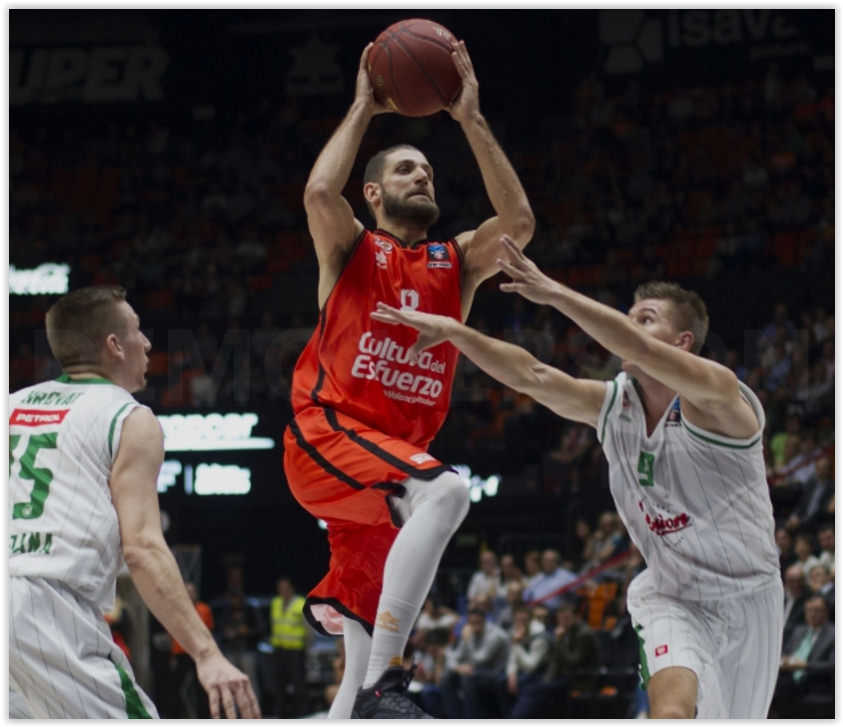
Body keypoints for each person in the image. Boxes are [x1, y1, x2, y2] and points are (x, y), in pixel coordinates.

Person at [370, 236, 784, 718]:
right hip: (670, 596)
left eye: (645, 319)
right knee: (670, 714)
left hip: (748, 599)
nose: (629, 327)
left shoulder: (720, 397)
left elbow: (631, 346)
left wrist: (555, 293)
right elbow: (534, 376)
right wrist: (455, 332)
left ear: (681, 342)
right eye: (629, 317)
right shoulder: (615, 406)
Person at [282, 36, 534, 720]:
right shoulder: (351, 248)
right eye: (403, 168)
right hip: (327, 436)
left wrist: (470, 119)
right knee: (448, 491)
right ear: (373, 192)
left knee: (361, 634)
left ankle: (360, 693)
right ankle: (386, 684)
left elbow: (516, 224)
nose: (421, 175)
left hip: (384, 473)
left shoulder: (455, 264)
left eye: (425, 168)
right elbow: (316, 190)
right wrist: (364, 106)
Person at [8, 286, 260, 719]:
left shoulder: (10, 405)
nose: (146, 342)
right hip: (46, 606)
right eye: (138, 331)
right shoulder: (127, 416)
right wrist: (207, 654)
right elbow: (141, 547)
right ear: (113, 345)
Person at [439, 608, 510, 717]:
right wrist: (457, 667)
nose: (475, 626)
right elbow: (456, 656)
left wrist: (467, 640)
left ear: (484, 620)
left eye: (478, 622)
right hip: (477, 672)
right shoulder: (470, 632)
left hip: (496, 674)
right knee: (446, 678)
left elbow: (481, 659)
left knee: (467, 678)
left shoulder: (496, 635)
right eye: (472, 623)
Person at [168, 582, 215, 718]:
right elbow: (172, 632)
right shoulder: (177, 609)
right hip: (180, 652)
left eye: (192, 591)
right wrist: (172, 655)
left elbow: (209, 632)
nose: (190, 594)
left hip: (199, 654)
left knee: (201, 688)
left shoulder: (204, 609)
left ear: (196, 594)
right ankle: (174, 717)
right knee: (176, 687)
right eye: (187, 591)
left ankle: (204, 717)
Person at [269, 577, 310, 717]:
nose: (282, 591)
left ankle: (301, 715)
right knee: (279, 685)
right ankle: (280, 715)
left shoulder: (300, 603)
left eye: (285, 588)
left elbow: (308, 629)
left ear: (291, 588)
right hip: (279, 650)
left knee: (299, 686)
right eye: (280, 588)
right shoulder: (275, 602)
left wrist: (307, 648)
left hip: (296, 651)